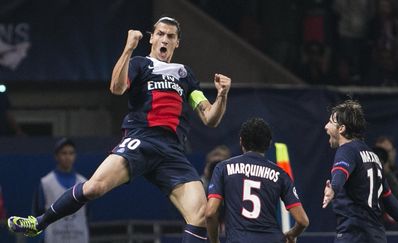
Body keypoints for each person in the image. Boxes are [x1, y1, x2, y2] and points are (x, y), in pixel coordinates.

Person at [8, 16, 231, 243]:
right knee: (95, 188)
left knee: (201, 215)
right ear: (152, 38)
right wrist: (128, 48)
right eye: (160, 34)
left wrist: (222, 96)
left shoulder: (185, 74)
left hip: (172, 151)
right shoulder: (139, 64)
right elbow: (116, 88)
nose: (165, 39)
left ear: (177, 42)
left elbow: (210, 118)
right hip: (140, 140)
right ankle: (38, 223)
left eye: (170, 36)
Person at [322, 99, 398, 243]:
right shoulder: (374, 157)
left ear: (341, 128)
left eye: (331, 122)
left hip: (353, 236)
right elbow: (389, 199)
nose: (326, 126)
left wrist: (333, 188)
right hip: (376, 237)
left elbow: (341, 170)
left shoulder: (347, 150)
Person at [206, 117, 309, 243]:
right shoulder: (280, 174)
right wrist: (292, 234)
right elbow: (303, 221)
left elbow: (210, 212)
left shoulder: (223, 168)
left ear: (241, 141)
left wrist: (214, 241)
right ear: (269, 143)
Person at [32, 138, 89, 243]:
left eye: (71, 153)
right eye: (64, 153)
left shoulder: (84, 183)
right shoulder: (46, 183)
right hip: (53, 238)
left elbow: (87, 214)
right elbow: (37, 213)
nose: (68, 157)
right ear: (56, 156)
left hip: (79, 237)